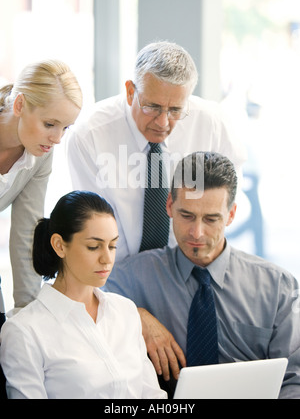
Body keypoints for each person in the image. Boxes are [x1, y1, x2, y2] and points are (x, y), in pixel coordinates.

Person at [105, 152, 300, 399]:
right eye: (186, 215)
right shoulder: (132, 277)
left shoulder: (278, 288)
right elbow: (80, 305)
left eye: (211, 219)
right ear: (169, 206)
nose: (196, 232)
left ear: (231, 215)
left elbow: (295, 379)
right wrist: (134, 315)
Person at [67, 41, 247, 262]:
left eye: (175, 110)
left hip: (195, 265)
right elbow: (93, 223)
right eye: (152, 107)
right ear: (131, 92)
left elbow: (229, 194)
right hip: (117, 272)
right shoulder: (89, 135)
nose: (163, 122)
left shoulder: (212, 125)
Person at [0, 191, 166, 399]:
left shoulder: (125, 311)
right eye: (94, 247)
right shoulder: (24, 332)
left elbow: (153, 396)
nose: (107, 258)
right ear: (59, 245)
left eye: (112, 245)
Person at [0, 60, 82, 310]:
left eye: (65, 128)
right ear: (20, 104)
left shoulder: (40, 155)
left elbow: (27, 232)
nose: (57, 139)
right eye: (49, 124)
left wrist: (27, 311)